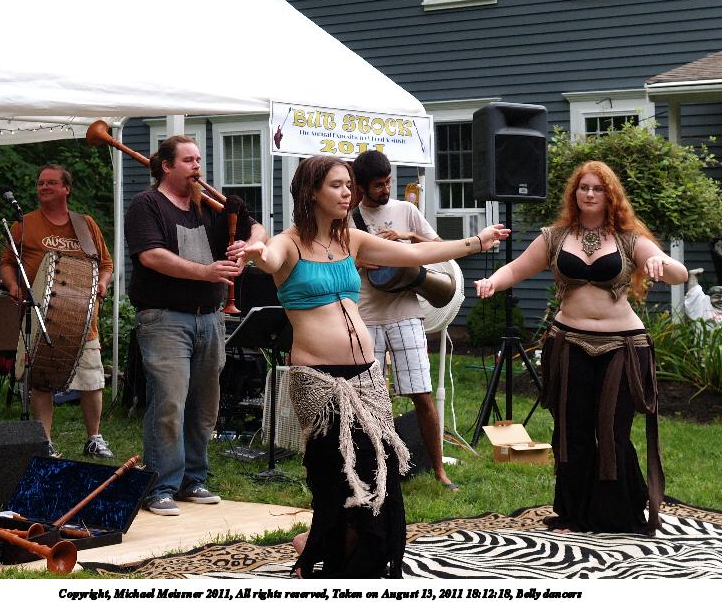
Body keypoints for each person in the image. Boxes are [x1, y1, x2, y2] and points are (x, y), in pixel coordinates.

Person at [244, 155, 509, 578]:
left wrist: (476, 242)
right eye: (336, 185)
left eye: (349, 184)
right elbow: (270, 259)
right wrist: (258, 253)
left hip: (366, 376)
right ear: (312, 192)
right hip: (319, 382)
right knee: (337, 478)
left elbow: (414, 253)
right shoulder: (289, 243)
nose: (347, 192)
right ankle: (324, 553)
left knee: (377, 472)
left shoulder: (352, 239)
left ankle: (332, 550)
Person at [474, 160, 688, 535]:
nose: (589, 194)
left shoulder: (628, 238)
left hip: (622, 346)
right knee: (572, 430)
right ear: (574, 193)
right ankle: (574, 513)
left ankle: (616, 514)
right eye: (583, 187)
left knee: (612, 430)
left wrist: (658, 261)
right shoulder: (555, 237)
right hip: (569, 342)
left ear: (610, 195)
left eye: (597, 188)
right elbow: (517, 269)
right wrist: (493, 281)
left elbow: (677, 273)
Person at [125, 135, 267, 517]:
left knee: (204, 405)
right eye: (188, 160)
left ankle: (193, 479)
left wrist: (246, 248)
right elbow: (151, 256)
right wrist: (206, 272)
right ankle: (159, 486)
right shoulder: (146, 205)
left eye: (199, 160)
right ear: (166, 166)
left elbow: (258, 230)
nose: (197, 167)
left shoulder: (208, 204)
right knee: (169, 401)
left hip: (210, 317)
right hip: (164, 317)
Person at [350, 149, 456, 490]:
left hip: (406, 313)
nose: (385, 190)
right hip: (367, 315)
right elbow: (334, 262)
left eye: (388, 182)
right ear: (361, 187)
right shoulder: (348, 219)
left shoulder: (406, 211)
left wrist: (409, 239)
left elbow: (439, 247)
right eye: (378, 185)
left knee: (422, 394)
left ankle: (439, 471)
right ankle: (376, 473)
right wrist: (358, 262)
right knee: (369, 400)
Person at [0, 164, 114, 459]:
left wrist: (102, 283)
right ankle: (45, 441)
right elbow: (7, 262)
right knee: (40, 380)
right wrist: (13, 285)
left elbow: (106, 264)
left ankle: (94, 438)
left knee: (91, 380)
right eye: (40, 183)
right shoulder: (23, 224)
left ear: (66, 188)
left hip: (82, 319)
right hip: (39, 316)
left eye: (51, 182)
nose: (44, 187)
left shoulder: (84, 224)